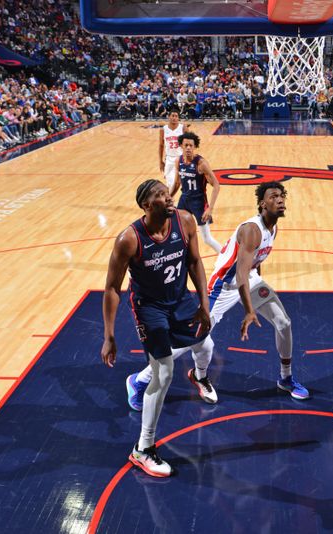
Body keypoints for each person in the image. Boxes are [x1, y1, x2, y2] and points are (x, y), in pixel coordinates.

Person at [128, 182, 309, 407]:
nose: (281, 200)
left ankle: (286, 378)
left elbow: (251, 268)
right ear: (262, 203)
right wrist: (250, 311)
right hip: (223, 287)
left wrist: (258, 289)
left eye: (282, 196)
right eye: (274, 196)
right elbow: (240, 275)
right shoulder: (251, 230)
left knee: (284, 323)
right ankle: (139, 380)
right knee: (193, 337)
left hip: (248, 280)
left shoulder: (273, 228)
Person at [101, 179, 214, 477]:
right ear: (147, 205)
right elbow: (112, 288)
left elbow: (195, 263)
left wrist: (204, 305)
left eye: (167, 192)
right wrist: (109, 336)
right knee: (164, 372)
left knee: (207, 345)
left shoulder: (185, 220)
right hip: (150, 308)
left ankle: (168, 378)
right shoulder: (129, 238)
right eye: (160, 195)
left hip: (180, 300)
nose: (168, 196)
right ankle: (143, 449)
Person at [169, 131, 222, 253]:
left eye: (191, 146)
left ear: (195, 147)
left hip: (198, 201)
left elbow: (216, 185)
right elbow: (177, 183)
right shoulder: (178, 161)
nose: (188, 148)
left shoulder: (201, 163)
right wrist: (169, 197)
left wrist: (210, 209)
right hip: (184, 200)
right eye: (185, 145)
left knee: (207, 239)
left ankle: (226, 259)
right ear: (181, 146)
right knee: (177, 232)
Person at [159, 110, 188, 192]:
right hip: (169, 159)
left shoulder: (183, 128)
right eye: (173, 116)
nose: (174, 118)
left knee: (185, 184)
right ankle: (170, 203)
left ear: (178, 118)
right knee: (170, 184)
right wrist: (160, 161)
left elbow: (190, 143)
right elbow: (161, 145)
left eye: (176, 116)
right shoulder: (163, 129)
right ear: (169, 117)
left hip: (182, 158)